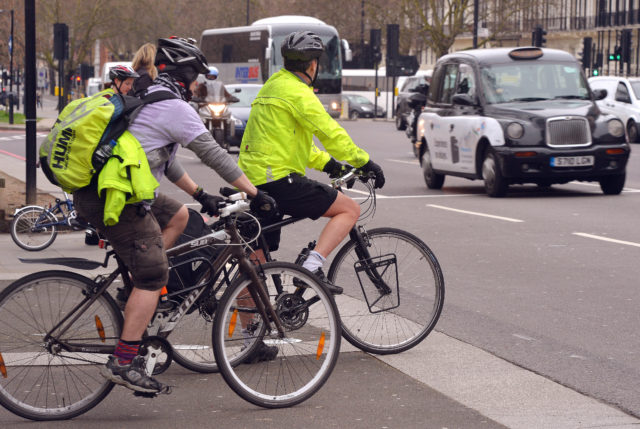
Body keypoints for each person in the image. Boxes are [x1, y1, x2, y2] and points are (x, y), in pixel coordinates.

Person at [73, 37, 276, 395]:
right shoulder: (173, 106)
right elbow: (214, 154)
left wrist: (200, 195)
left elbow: (166, 160)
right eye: (196, 77)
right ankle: (124, 359)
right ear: (184, 74)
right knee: (154, 275)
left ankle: (137, 293)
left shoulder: (146, 96)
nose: (199, 85)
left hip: (109, 190)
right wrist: (256, 193)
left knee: (180, 216)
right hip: (116, 199)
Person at [237, 31, 385, 293]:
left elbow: (292, 144)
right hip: (278, 180)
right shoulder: (298, 93)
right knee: (349, 209)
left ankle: (250, 331)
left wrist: (331, 166)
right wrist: (364, 162)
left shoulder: (272, 86)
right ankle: (312, 266)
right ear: (313, 64)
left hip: (254, 181)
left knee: (256, 263)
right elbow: (330, 133)